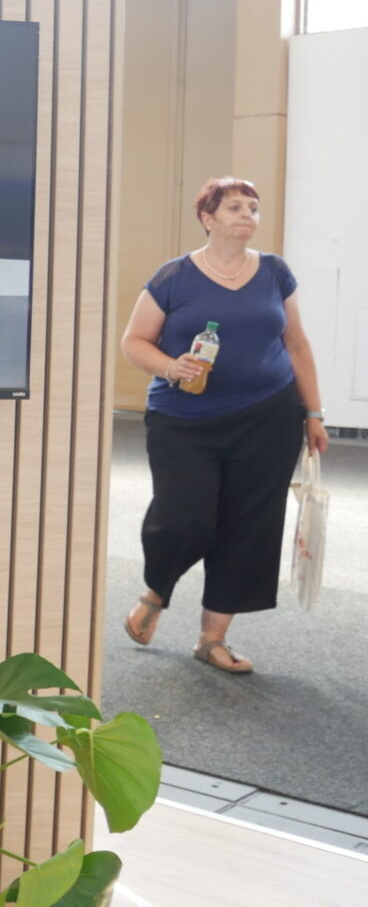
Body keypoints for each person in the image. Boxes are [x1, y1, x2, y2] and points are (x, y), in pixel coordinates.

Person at [118, 177, 327, 675]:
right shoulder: (174, 276)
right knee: (184, 517)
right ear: (207, 218)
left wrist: (314, 412)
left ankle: (212, 639)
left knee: (250, 525)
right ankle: (157, 590)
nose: (247, 214)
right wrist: (171, 367)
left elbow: (296, 343)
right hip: (184, 420)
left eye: (253, 207)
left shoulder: (275, 272)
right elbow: (134, 342)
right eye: (234, 206)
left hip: (268, 416)